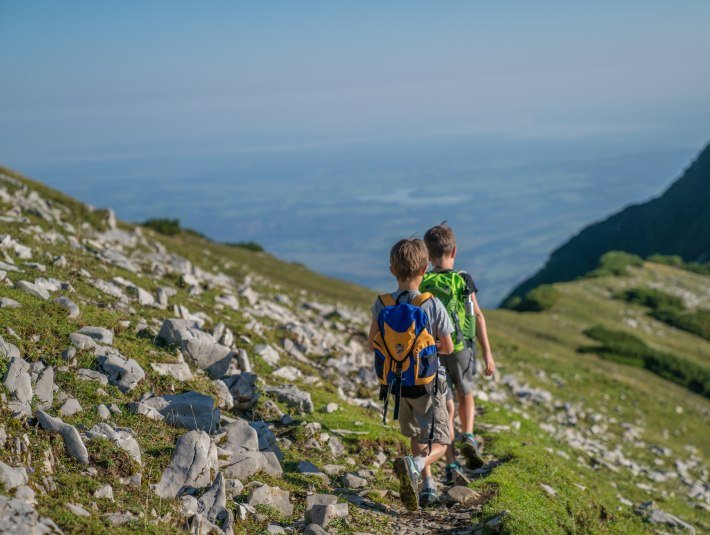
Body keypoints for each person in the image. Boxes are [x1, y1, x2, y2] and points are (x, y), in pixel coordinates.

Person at [369, 238, 454, 511]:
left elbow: (373, 340)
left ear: (392, 270)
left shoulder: (381, 304)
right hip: (429, 383)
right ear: (424, 270)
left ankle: (425, 486)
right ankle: (416, 465)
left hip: (398, 383)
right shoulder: (431, 304)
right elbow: (448, 347)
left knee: (415, 433)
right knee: (441, 440)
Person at [421, 223, 496, 487]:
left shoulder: (425, 281)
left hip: (436, 350)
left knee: (445, 405)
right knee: (466, 393)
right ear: (454, 250)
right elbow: (477, 315)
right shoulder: (463, 279)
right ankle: (470, 435)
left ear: (428, 256)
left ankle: (451, 462)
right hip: (463, 348)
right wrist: (488, 353)